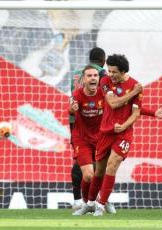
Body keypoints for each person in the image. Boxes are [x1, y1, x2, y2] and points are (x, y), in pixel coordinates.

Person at [74, 54, 144, 216]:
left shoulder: (136, 86)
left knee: (112, 165)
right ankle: (90, 204)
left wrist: (124, 126)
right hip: (105, 132)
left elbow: (136, 113)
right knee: (99, 172)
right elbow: (113, 103)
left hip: (124, 134)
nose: (110, 74)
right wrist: (132, 93)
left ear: (123, 71)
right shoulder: (106, 81)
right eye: (109, 70)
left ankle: (100, 205)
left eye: (114, 72)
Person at [69, 47, 107, 210]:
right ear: (103, 60)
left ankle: (78, 199)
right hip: (94, 119)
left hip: (75, 119)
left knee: (78, 160)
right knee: (98, 162)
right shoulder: (102, 73)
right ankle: (95, 199)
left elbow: (74, 94)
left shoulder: (78, 72)